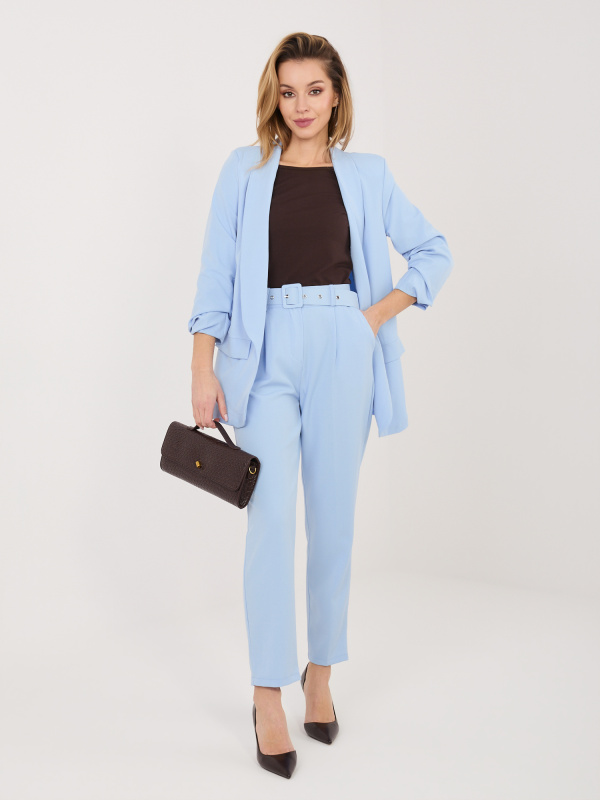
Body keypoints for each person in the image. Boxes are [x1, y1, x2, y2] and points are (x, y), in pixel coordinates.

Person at [188, 32, 453, 779]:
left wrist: (370, 319)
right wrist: (202, 367)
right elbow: (215, 274)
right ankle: (266, 693)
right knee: (270, 519)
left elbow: (433, 251)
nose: (300, 104)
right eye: (288, 90)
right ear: (272, 96)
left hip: (343, 344)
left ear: (336, 95)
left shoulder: (368, 175)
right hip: (263, 353)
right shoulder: (243, 171)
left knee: (333, 521)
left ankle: (321, 675)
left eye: (315, 89)